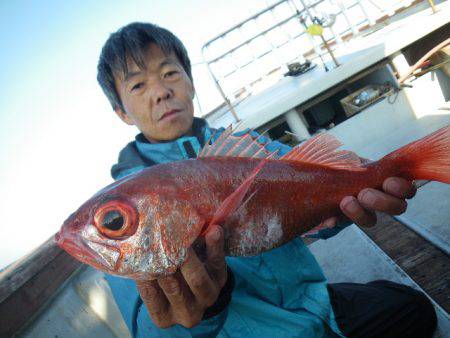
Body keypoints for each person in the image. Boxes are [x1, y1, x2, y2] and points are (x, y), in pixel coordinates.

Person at [96, 22, 437, 337]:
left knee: (414, 308)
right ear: (122, 112)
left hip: (317, 308)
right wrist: (204, 311)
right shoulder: (128, 209)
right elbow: (148, 328)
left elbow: (313, 202)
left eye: (170, 73)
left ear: (189, 82)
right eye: (138, 85)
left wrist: (355, 192)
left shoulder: (249, 145)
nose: (160, 91)